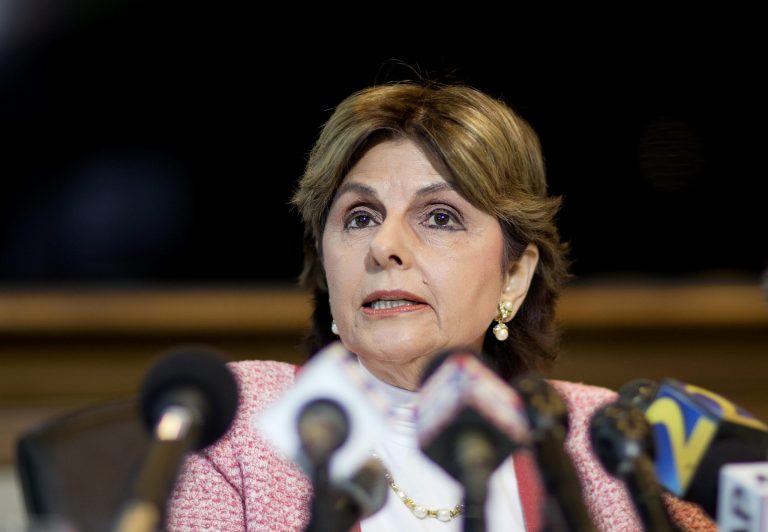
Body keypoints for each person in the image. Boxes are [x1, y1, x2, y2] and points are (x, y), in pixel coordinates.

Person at [166, 79, 715, 531]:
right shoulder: (238, 424)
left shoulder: (604, 438)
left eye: (440, 217)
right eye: (360, 217)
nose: (385, 246)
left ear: (514, 277)